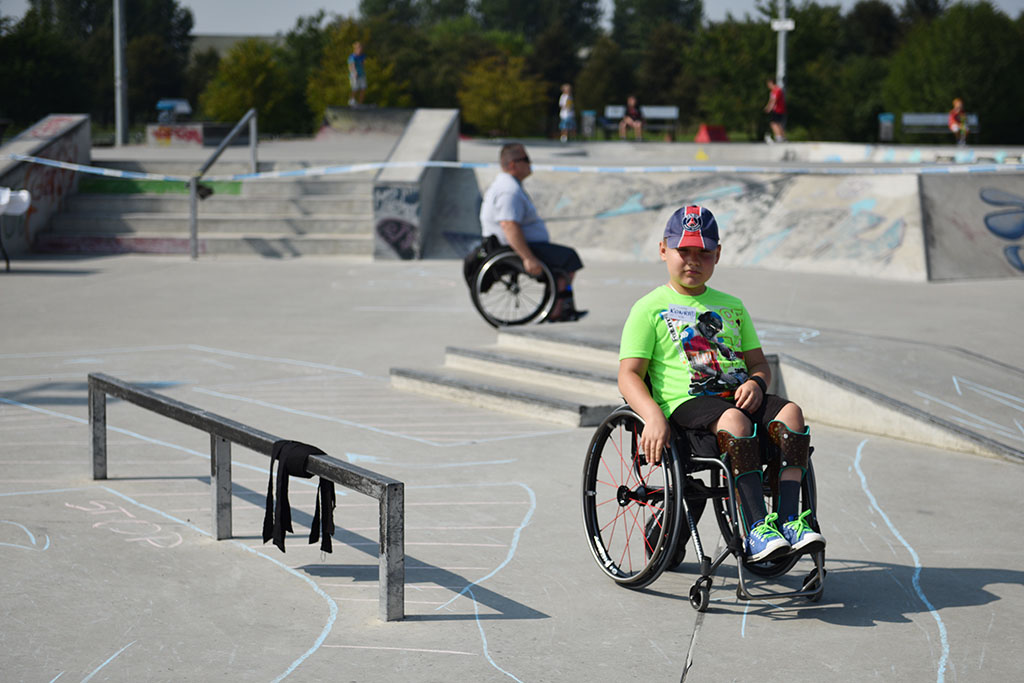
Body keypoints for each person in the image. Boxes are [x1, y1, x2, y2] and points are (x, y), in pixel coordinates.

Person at [617, 205, 825, 563]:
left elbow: (758, 363)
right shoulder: (649, 307)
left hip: (738, 397)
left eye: (704, 253)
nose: (693, 261)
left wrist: (758, 383)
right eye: (684, 251)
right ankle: (758, 529)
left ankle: (791, 519)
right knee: (735, 422)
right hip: (686, 406)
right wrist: (652, 416)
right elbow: (629, 374)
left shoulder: (732, 306)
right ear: (663, 249)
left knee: (791, 413)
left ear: (718, 255)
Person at [479, 143, 586, 322]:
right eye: (526, 160)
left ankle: (558, 305)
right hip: (514, 247)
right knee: (569, 258)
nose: (530, 163)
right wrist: (528, 258)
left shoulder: (509, 185)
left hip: (518, 244)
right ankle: (557, 310)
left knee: (564, 259)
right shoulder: (508, 190)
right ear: (513, 164)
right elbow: (509, 225)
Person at [764, 77, 786, 143]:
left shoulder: (776, 90)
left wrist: (769, 108)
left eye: (768, 84)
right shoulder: (775, 90)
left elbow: (774, 100)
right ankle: (783, 137)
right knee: (778, 124)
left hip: (777, 109)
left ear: (771, 83)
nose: (768, 86)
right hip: (779, 109)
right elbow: (771, 100)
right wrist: (767, 106)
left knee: (773, 123)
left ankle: (779, 137)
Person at [348, 42, 367, 106]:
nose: (360, 50)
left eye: (361, 48)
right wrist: (354, 72)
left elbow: (363, 64)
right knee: (355, 88)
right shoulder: (352, 57)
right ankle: (351, 101)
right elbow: (351, 66)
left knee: (363, 88)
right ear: (355, 49)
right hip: (354, 75)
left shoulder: (362, 56)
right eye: (359, 48)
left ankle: (360, 103)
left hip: (362, 75)